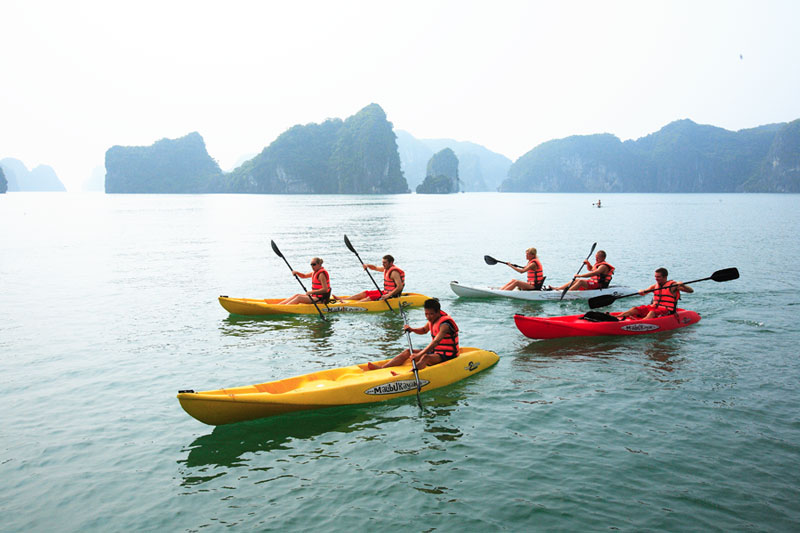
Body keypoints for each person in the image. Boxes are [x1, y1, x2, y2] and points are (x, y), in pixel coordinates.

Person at [368, 298, 459, 371]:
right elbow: (423, 330)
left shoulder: (445, 325)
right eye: (426, 314)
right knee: (408, 351)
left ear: (438, 312)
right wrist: (412, 329)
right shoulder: (432, 320)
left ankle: (409, 374)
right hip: (436, 352)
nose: (428, 317)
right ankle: (383, 368)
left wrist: (419, 355)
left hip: (448, 355)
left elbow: (436, 342)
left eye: (431, 314)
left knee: (425, 357)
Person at [616, 267, 693, 320]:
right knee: (634, 309)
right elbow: (644, 293)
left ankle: (641, 322)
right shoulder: (655, 286)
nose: (656, 279)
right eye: (655, 276)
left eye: (658, 277)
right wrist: (641, 291)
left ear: (665, 277)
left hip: (667, 310)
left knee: (652, 313)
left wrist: (683, 285)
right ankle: (616, 318)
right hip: (654, 307)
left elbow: (690, 291)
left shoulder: (673, 286)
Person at [340, 255, 405, 301]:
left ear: (391, 263)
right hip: (385, 292)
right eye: (382, 262)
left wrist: (388, 296)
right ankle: (344, 300)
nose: (383, 264)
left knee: (369, 298)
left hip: (392, 295)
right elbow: (375, 268)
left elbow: (400, 287)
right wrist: (367, 265)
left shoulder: (394, 272)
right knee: (365, 293)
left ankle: (349, 305)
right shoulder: (386, 268)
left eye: (385, 263)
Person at [549, 250, 615, 292]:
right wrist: (588, 264)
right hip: (593, 282)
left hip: (599, 285)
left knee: (581, 281)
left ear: (603, 258)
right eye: (596, 257)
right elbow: (591, 269)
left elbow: (593, 273)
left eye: (598, 258)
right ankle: (559, 289)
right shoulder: (599, 264)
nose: (596, 259)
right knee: (575, 280)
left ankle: (568, 293)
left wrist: (580, 275)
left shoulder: (603, 266)